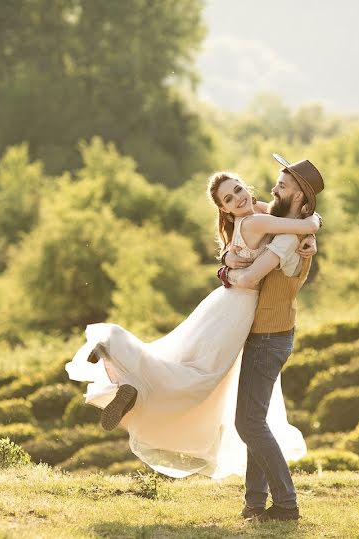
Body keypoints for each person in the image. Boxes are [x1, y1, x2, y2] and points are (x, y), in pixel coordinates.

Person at [64, 159, 321, 481]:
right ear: (224, 210)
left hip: (225, 304)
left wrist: (230, 260)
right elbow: (303, 226)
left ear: (248, 188)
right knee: (202, 376)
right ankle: (123, 367)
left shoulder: (259, 214)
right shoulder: (257, 222)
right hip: (237, 308)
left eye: (239, 189)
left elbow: (287, 219)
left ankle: (123, 369)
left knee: (182, 358)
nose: (238, 198)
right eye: (229, 198)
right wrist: (312, 223)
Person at [222, 154, 325, 523]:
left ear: (298, 196)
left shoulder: (287, 237)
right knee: (254, 420)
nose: (272, 190)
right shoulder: (292, 225)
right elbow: (254, 215)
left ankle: (285, 505)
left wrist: (228, 272)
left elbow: (251, 279)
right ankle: (254, 502)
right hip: (266, 334)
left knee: (248, 423)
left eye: (281, 186)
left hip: (269, 337)